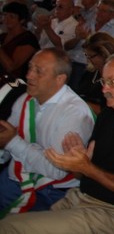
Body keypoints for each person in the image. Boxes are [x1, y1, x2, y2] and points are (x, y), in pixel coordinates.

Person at [0, 50, 114, 233]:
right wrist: (77, 164)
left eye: (112, 82)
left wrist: (87, 168)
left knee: (9, 227)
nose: (104, 89)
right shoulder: (108, 116)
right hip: (79, 197)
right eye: (103, 81)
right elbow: (83, 175)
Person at [0, 49, 94, 216]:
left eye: (38, 71)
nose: (29, 75)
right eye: (30, 68)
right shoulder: (25, 99)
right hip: (17, 176)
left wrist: (12, 142)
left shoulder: (74, 114)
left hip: (50, 189)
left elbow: (57, 169)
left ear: (60, 79)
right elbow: (6, 150)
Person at [75, 32, 114, 114]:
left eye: (91, 56)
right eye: (86, 56)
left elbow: (112, 111)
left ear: (103, 54)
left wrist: (83, 104)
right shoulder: (89, 74)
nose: (88, 60)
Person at [0, 2, 39, 80]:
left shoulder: (28, 39)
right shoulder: (3, 37)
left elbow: (11, 67)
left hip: (17, 83)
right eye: (5, 15)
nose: (6, 19)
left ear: (22, 20)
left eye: (11, 16)